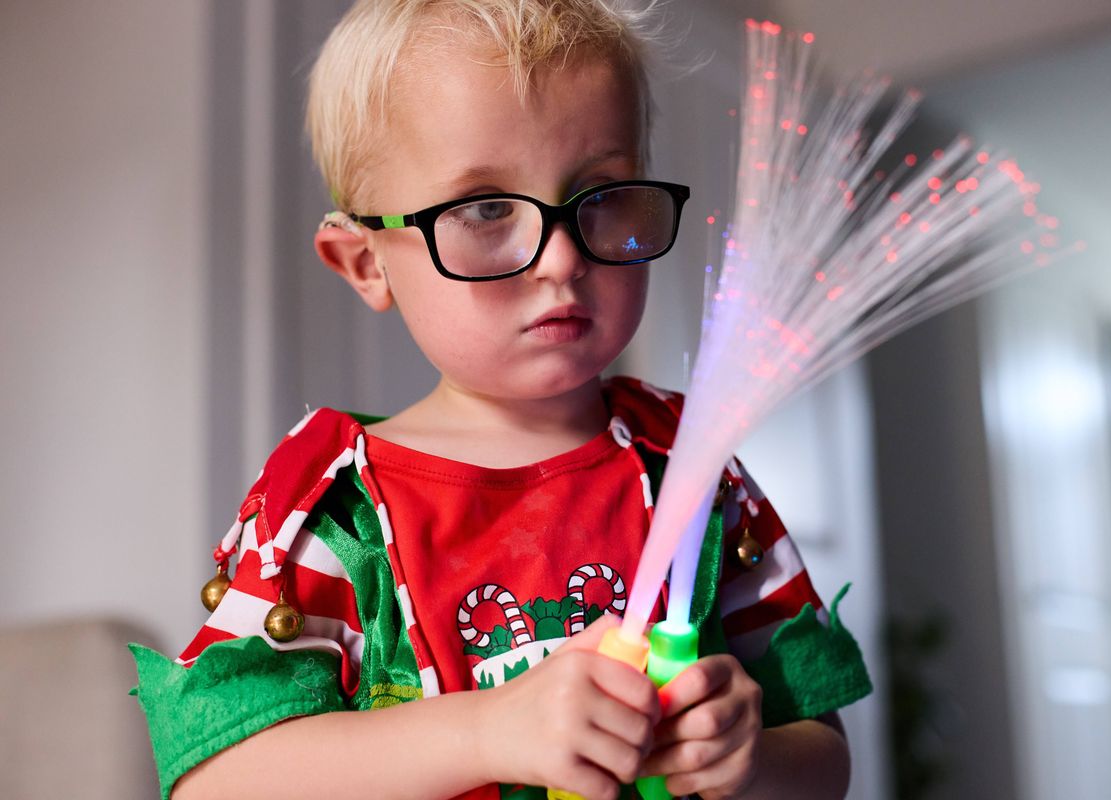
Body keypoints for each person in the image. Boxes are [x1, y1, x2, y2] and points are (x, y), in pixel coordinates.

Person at [130, 2, 871, 798]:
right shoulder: (336, 509)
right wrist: (487, 732)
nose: (560, 257)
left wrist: (747, 761)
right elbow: (217, 780)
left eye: (602, 196)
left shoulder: (692, 465)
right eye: (485, 208)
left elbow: (823, 759)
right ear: (366, 263)